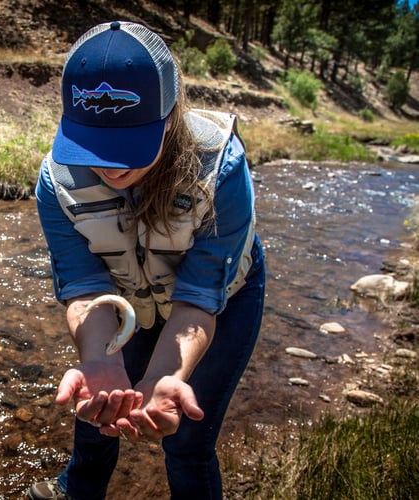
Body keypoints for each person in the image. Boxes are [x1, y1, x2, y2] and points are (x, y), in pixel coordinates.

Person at [28, 21, 266, 500]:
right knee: (100, 406)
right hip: (126, 298)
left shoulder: (223, 169)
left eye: (129, 144)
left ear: (172, 113)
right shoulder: (56, 183)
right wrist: (98, 357)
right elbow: (83, 287)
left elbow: (198, 298)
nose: (112, 166)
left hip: (219, 300)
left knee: (186, 440)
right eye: (95, 145)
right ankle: (76, 491)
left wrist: (165, 376)